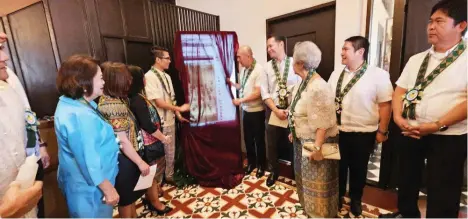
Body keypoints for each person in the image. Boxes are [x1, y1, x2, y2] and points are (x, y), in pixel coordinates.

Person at [381, 0, 467, 218]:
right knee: (407, 179)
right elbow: (400, 90)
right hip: (411, 130)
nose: (431, 26)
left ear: (461, 25)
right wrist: (398, 116)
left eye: (439, 21)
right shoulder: (417, 59)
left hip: (448, 135)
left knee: (443, 187)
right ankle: (407, 214)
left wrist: (436, 124)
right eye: (430, 21)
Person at [328, 36, 393, 218]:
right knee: (338, 168)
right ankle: (338, 196)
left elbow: (385, 105)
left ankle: (356, 200)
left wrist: (382, 130)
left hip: (363, 134)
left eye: (346, 49)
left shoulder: (377, 75)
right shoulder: (336, 74)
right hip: (338, 132)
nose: (341, 52)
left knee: (358, 169)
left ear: (360, 52)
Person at [54, 55, 120, 217]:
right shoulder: (80, 116)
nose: (104, 83)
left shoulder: (73, 103)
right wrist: (108, 190)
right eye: (100, 78)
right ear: (83, 84)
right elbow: (88, 159)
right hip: (91, 190)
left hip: (83, 185)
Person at [1, 32, 50, 218]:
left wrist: (40, 145)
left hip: (25, 169)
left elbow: (27, 116)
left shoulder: (8, 77)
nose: (5, 57)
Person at [287, 41, 339, 218]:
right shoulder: (302, 83)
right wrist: (293, 131)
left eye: (293, 60)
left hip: (315, 145)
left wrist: (317, 148)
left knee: (317, 188)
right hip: (302, 141)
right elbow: (299, 113)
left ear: (300, 63)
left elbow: (323, 122)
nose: (292, 63)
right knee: (305, 185)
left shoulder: (318, 86)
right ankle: (310, 213)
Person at [98, 62, 149, 218]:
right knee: (127, 199)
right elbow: (123, 141)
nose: (129, 82)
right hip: (124, 158)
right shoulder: (114, 105)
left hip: (127, 155)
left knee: (131, 196)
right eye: (126, 79)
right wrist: (140, 162)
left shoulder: (113, 99)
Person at [128, 65, 173, 215]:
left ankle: (150, 197)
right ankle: (155, 203)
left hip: (144, 142)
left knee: (150, 173)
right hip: (147, 143)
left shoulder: (135, 97)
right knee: (150, 174)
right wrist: (164, 138)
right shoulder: (137, 100)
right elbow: (147, 125)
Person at [260, 35, 301, 187]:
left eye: (271, 46)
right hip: (273, 111)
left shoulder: (294, 64)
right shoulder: (266, 67)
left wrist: (290, 110)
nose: (269, 49)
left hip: (293, 111)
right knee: (272, 144)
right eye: (267, 47)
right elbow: (265, 93)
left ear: (281, 44)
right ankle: (273, 171)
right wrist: (276, 110)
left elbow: (300, 88)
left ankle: (296, 175)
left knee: (294, 142)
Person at [145, 46, 190, 184]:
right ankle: (157, 183)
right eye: (167, 58)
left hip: (170, 119)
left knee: (171, 151)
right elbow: (159, 102)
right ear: (158, 60)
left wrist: (177, 114)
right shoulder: (149, 77)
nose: (170, 61)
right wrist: (179, 108)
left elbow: (171, 98)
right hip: (158, 122)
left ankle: (169, 176)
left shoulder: (167, 76)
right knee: (160, 155)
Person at [228, 45, 266, 178]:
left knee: (259, 140)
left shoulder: (259, 70)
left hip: (257, 111)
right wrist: (232, 84)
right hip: (246, 111)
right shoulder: (244, 70)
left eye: (239, 57)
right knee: (248, 139)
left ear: (248, 56)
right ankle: (251, 163)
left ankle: (261, 165)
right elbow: (243, 87)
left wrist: (240, 100)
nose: (238, 60)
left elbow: (257, 93)